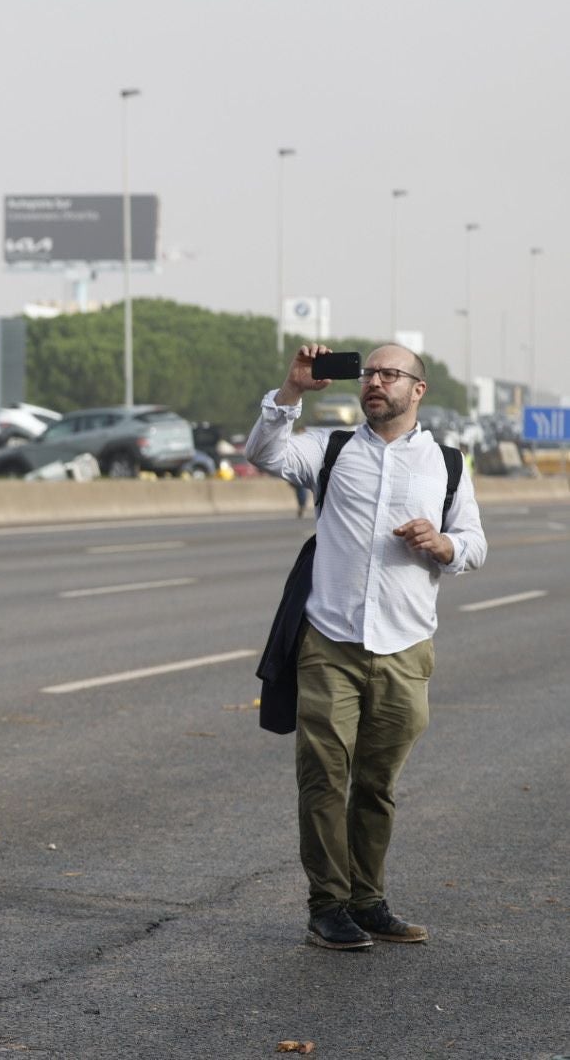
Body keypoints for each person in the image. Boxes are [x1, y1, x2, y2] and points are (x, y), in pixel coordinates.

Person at [245, 342, 486, 951]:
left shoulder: (447, 465)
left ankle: (367, 899)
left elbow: (475, 543)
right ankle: (327, 906)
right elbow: (263, 451)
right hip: (330, 640)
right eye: (370, 373)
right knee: (324, 778)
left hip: (406, 648)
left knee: (377, 785)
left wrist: (442, 545)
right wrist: (292, 391)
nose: (375, 381)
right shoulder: (331, 451)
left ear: (417, 389)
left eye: (390, 374)